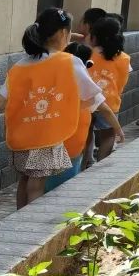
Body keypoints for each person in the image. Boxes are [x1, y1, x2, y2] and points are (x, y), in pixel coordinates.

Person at [0, 8, 124, 208]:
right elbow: (98, 101)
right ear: (64, 33)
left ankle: (18, 219)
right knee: (36, 185)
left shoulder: (20, 65)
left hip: (22, 136)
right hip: (46, 136)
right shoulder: (70, 62)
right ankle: (30, 228)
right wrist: (117, 127)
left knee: (24, 180)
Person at [46, 42, 93, 192]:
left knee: (48, 184)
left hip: (56, 143)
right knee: (64, 184)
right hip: (71, 145)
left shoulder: (54, 77)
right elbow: (101, 105)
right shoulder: (82, 81)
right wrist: (118, 130)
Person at [87, 16, 131, 160]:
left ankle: (85, 163)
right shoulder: (124, 58)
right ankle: (100, 163)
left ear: (95, 36)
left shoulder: (88, 53)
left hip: (87, 102)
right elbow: (122, 83)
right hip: (110, 102)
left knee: (87, 134)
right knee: (108, 135)